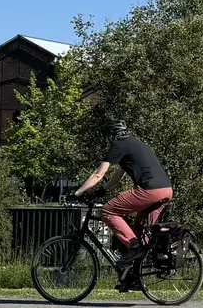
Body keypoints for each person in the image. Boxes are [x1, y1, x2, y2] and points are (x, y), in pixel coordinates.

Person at [72, 117, 174, 274]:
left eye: (106, 137)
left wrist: (78, 192)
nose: (106, 140)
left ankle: (133, 247)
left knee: (107, 211)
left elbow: (98, 174)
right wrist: (103, 190)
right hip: (166, 190)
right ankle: (135, 275)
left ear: (112, 135)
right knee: (140, 231)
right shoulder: (134, 143)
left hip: (149, 190)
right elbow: (120, 172)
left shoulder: (118, 145)